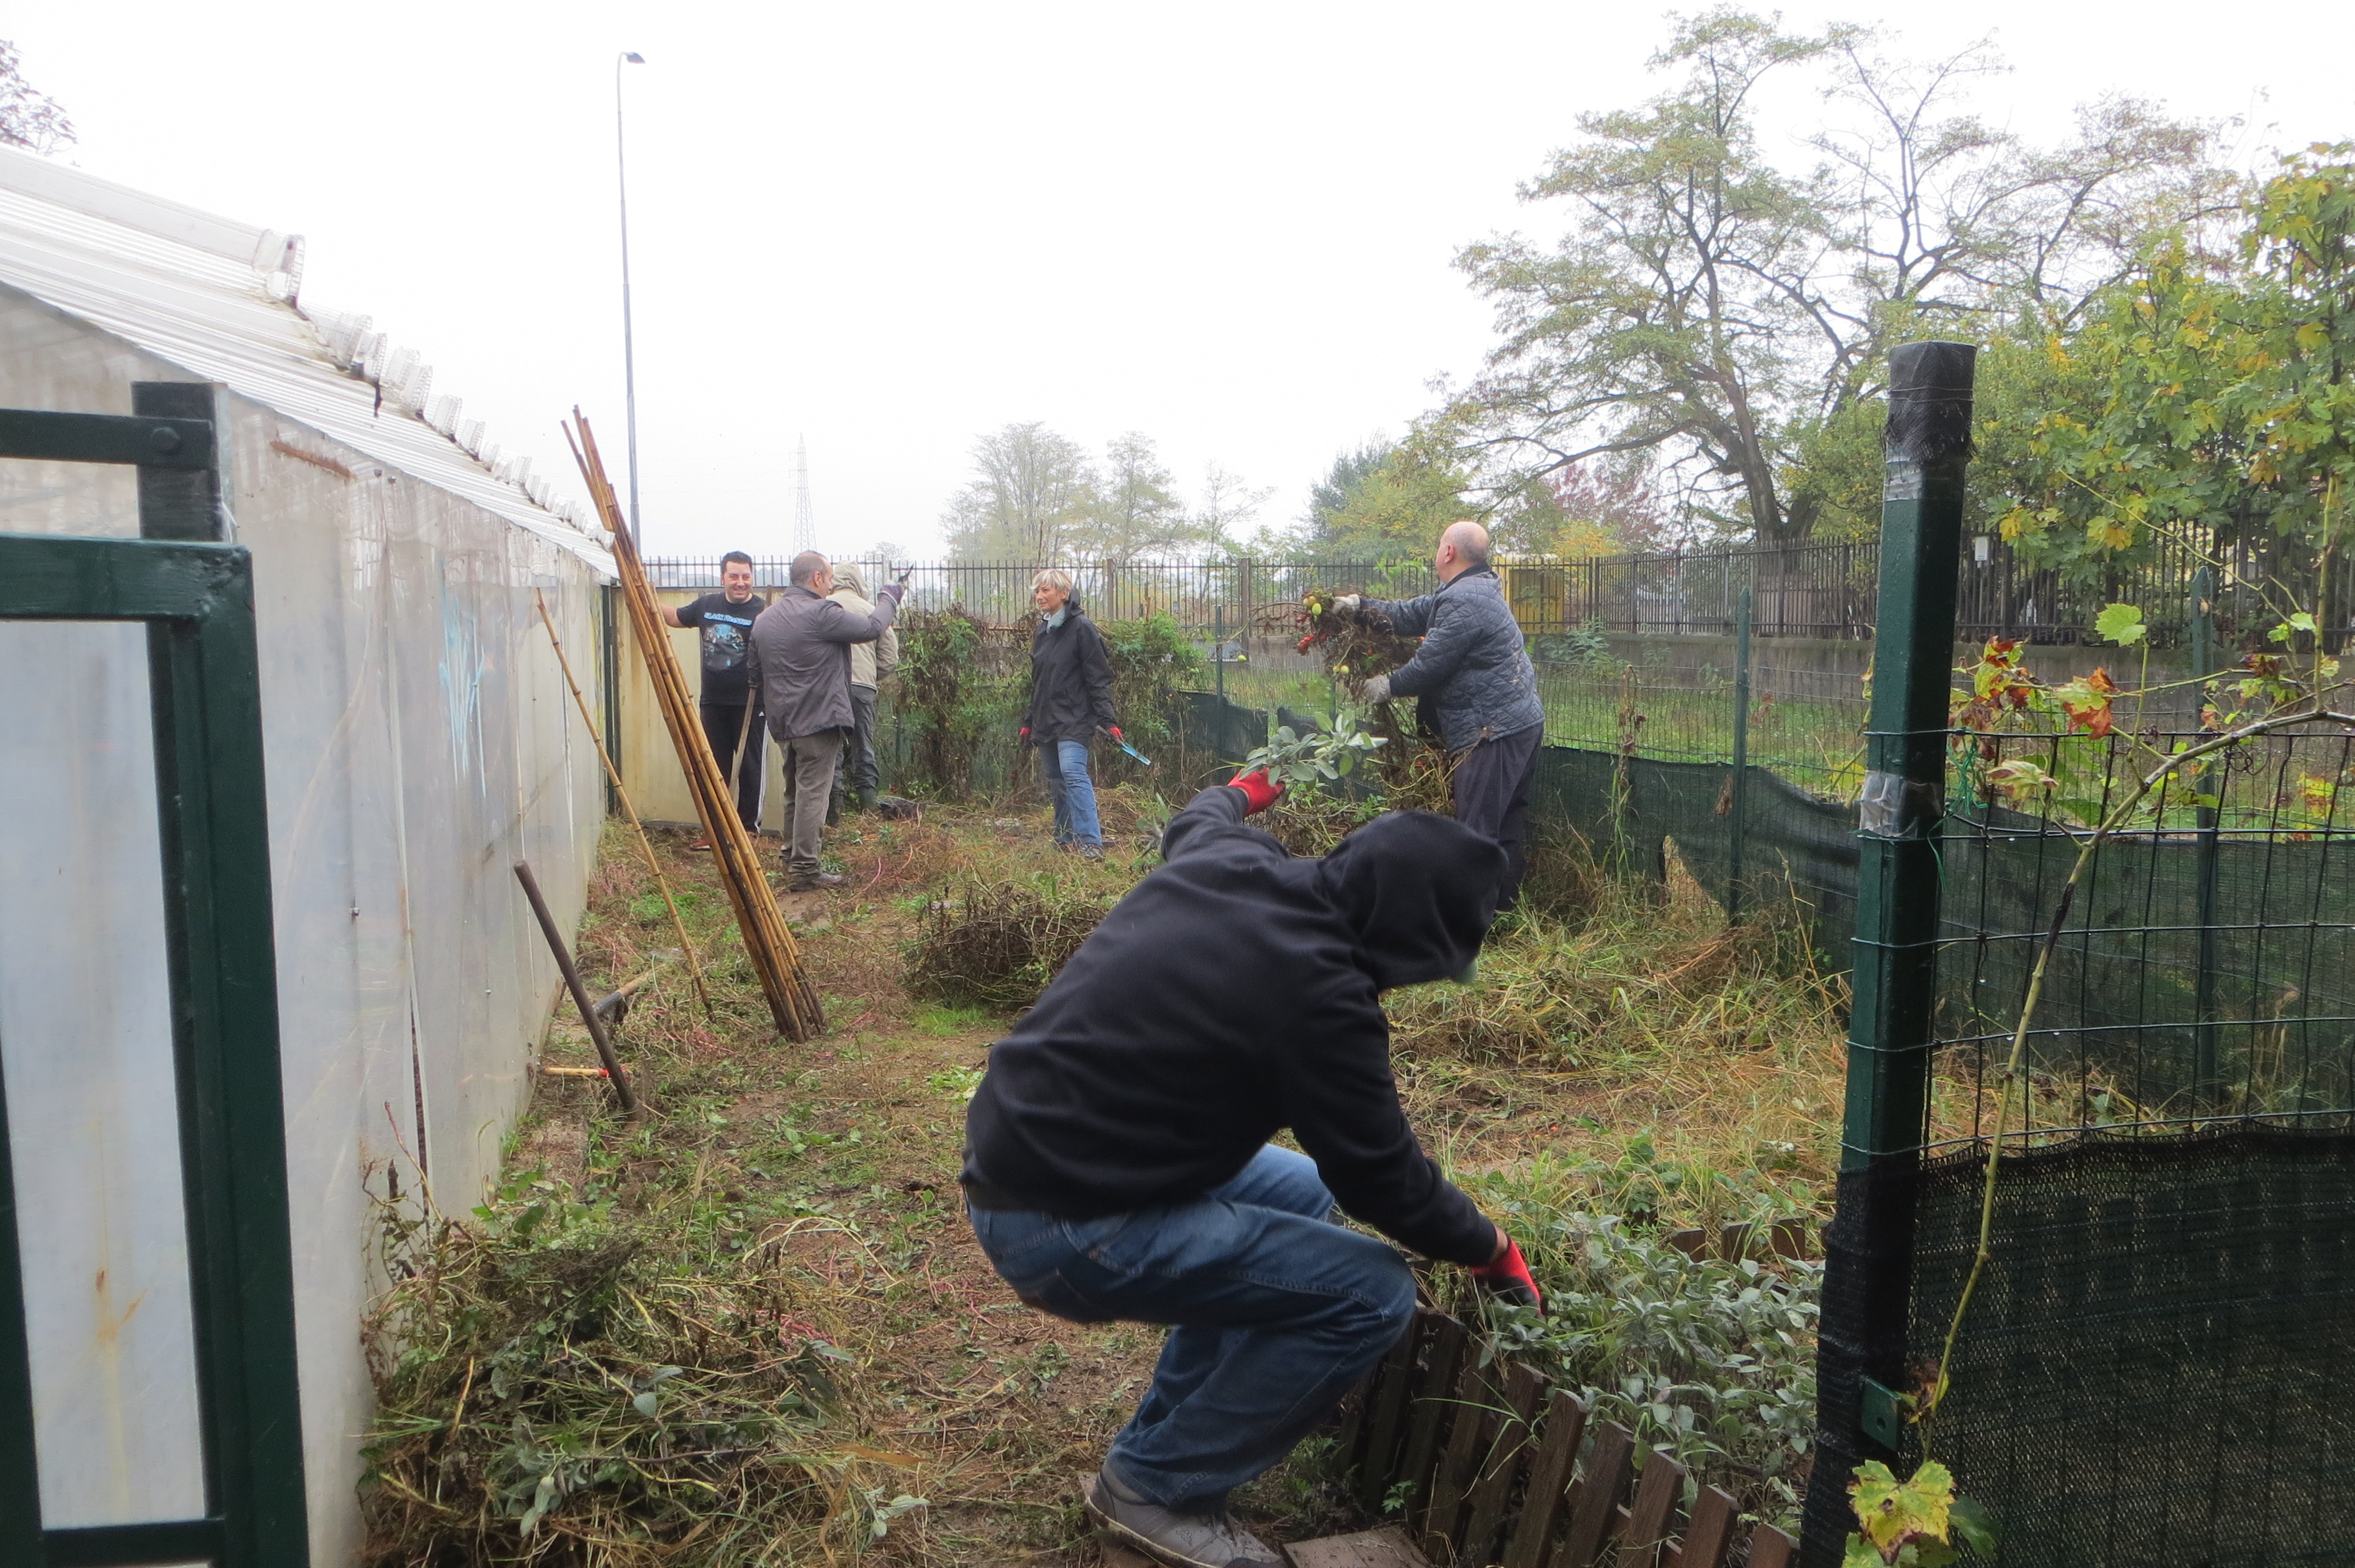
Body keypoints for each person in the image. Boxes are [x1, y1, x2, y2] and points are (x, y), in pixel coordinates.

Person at [961, 772, 1542, 1568]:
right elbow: (1381, 1177)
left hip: (1035, 1155)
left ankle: (1166, 1433)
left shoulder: (1232, 862)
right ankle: (1156, 1487)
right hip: (1064, 1227)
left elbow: (1193, 821)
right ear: (1408, 938)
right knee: (1373, 1294)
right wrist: (1489, 1246)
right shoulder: (1324, 998)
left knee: (1305, 1193)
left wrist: (1241, 791)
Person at [1335, 521, 1546, 907]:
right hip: (1517, 721)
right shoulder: (1469, 589)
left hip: (1494, 729)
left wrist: (1386, 686)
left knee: (1477, 832)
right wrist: (1360, 608)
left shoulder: (1465, 599)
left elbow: (1429, 666)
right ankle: (1500, 912)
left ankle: (1469, 922)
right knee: (1505, 825)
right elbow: (1409, 614)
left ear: (1448, 552)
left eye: (1439, 544)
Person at [749, 551, 905, 891]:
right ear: (817, 578)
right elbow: (872, 628)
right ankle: (806, 870)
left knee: (794, 790)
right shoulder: (821, 613)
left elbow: (754, 674)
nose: (831, 584)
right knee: (813, 795)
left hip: (783, 722)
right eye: (829, 577)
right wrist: (889, 598)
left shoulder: (765, 619)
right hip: (818, 720)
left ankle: (791, 856)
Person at [662, 550, 768, 845]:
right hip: (713, 702)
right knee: (714, 768)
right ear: (723, 578)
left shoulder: (763, 611)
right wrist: (647, 598)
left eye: (746, 576)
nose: (740, 582)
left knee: (751, 768)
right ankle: (717, 831)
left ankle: (748, 830)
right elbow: (675, 618)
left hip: (752, 703)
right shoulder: (707, 605)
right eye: (734, 576)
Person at [1020, 568, 1120, 860]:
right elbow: (1038, 682)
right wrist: (1029, 721)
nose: (1039, 596)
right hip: (1046, 720)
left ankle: (1091, 842)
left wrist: (1108, 719)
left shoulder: (1082, 629)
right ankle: (1065, 839)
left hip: (1075, 719)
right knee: (1057, 780)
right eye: (1037, 591)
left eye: (1046, 590)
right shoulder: (1043, 631)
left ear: (1064, 594)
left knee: (1073, 773)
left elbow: (1099, 677)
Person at [827, 562, 900, 817]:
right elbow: (889, 659)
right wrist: (869, 675)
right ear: (859, 582)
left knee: (832, 748)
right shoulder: (872, 611)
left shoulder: (823, 607)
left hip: (830, 688)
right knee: (863, 746)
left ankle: (834, 811)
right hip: (863, 689)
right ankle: (868, 806)